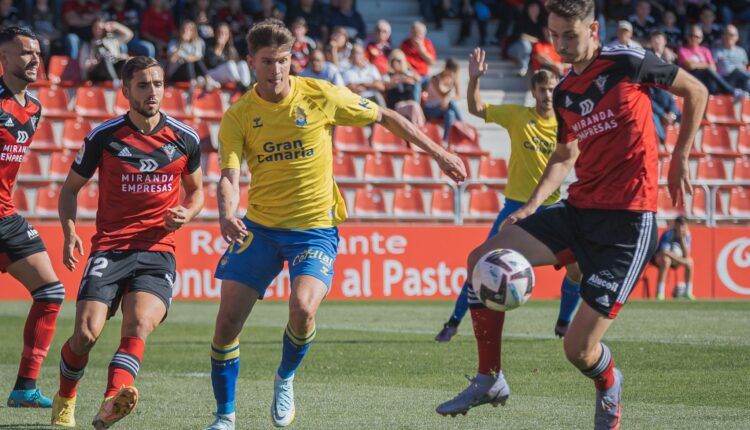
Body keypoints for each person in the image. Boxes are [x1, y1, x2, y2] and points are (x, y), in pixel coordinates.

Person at [436, 0, 707, 427]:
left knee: (578, 351)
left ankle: (608, 385)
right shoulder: (564, 91)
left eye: (570, 35)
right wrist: (528, 206)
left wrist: (680, 157)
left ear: (594, 29)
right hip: (577, 209)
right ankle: (490, 378)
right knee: (481, 260)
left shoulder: (627, 61)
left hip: (628, 224)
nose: (560, 44)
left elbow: (696, 90)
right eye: (554, 34)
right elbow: (564, 155)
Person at [203, 19, 466, 430]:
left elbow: (385, 116)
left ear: (293, 60)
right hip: (261, 228)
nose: (277, 69)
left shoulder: (321, 95)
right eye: (268, 61)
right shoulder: (238, 116)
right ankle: (225, 417)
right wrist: (225, 214)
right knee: (226, 324)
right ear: (252, 62)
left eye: (284, 61)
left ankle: (285, 376)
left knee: (303, 307)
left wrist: (439, 153)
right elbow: (229, 176)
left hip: (314, 228)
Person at [50, 56, 204, 429]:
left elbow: (197, 191)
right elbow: (70, 190)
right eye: (143, 85)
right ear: (125, 90)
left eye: (158, 84)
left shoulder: (185, 139)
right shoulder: (104, 136)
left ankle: (111, 400)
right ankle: (65, 397)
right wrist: (70, 231)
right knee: (86, 334)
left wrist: (188, 212)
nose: (153, 92)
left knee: (138, 326)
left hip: (157, 250)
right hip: (110, 248)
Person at [434, 54, 583, 355]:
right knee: (481, 262)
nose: (547, 95)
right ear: (533, 92)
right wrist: (474, 78)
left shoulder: (566, 127)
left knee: (577, 269)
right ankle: (453, 322)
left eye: (552, 89)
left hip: (552, 208)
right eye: (542, 89)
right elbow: (476, 108)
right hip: (515, 208)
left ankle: (564, 322)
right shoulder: (518, 116)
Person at [0, 26, 64, 410]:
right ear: (4, 59)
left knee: (51, 292)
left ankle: (25, 388)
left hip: (6, 217)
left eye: (37, 52)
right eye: (25, 53)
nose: (34, 59)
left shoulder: (34, 109)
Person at [679, 25, 742, 96]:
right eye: (691, 36)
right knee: (707, 70)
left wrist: (698, 65)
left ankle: (725, 91)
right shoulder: (683, 50)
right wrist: (705, 65)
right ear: (687, 36)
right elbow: (689, 66)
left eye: (697, 37)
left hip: (707, 81)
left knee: (709, 72)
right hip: (691, 78)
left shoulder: (705, 50)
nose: (693, 38)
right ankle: (730, 90)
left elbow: (713, 68)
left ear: (701, 39)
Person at [652, 216, 694, 300]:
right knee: (666, 261)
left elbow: (687, 255)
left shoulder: (687, 235)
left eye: (684, 225)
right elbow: (664, 252)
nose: (682, 228)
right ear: (675, 225)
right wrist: (680, 260)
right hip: (659, 257)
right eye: (679, 225)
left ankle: (688, 292)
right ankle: (660, 293)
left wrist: (682, 238)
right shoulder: (668, 233)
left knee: (690, 262)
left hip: (675, 259)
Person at [79, 19, 132, 83]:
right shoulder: (88, 44)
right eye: (96, 28)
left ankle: (123, 83)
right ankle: (115, 83)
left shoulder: (112, 41)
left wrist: (115, 25)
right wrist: (94, 62)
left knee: (126, 60)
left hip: (113, 67)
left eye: (101, 28)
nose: (98, 30)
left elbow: (129, 34)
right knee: (105, 59)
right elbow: (84, 65)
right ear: (92, 29)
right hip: (96, 74)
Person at [167, 20, 216, 88]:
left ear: (193, 32)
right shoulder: (174, 42)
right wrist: (181, 43)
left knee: (196, 61)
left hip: (190, 72)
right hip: (175, 73)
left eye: (189, 29)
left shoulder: (197, 42)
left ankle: (208, 79)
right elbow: (172, 60)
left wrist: (188, 58)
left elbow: (198, 57)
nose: (185, 31)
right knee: (188, 62)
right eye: (183, 29)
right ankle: (193, 83)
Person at [423, 58, 462, 142]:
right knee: (451, 103)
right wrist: (451, 86)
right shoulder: (435, 78)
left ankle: (446, 140)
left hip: (443, 109)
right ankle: (463, 125)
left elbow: (458, 96)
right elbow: (442, 94)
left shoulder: (453, 79)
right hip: (431, 109)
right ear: (447, 69)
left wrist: (448, 99)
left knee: (450, 113)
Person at [206, 22, 252, 89]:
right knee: (230, 64)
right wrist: (218, 46)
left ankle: (246, 86)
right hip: (211, 74)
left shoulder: (230, 49)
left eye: (225, 33)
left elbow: (236, 65)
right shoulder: (209, 45)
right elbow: (211, 63)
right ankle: (239, 84)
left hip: (228, 76)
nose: (222, 35)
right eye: (220, 33)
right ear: (215, 34)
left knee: (243, 64)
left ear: (228, 36)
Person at [507, 1, 545, 76]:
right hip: (515, 48)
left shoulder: (542, 22)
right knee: (525, 44)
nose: (533, 10)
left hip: (533, 51)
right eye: (531, 8)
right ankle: (523, 68)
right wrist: (536, 40)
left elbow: (545, 38)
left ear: (539, 9)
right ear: (527, 9)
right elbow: (521, 36)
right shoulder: (521, 21)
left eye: (535, 8)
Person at [713, 25, 750, 94]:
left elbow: (745, 68)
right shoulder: (716, 51)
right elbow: (713, 69)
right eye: (726, 34)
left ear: (737, 37)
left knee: (747, 80)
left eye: (731, 35)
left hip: (740, 80)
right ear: (722, 36)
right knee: (738, 71)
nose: (728, 37)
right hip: (725, 80)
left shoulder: (741, 51)